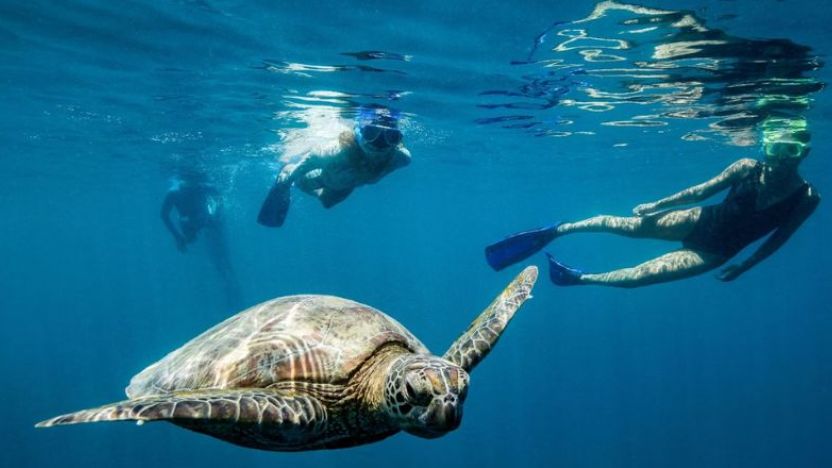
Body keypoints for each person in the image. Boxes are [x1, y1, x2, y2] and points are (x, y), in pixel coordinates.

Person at [485, 117, 820, 288]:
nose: (778, 158)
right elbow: (700, 191)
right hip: (699, 219)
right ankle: (558, 230)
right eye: (773, 148)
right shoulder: (747, 167)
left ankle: (577, 278)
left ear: (803, 152)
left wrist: (744, 266)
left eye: (788, 150)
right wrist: (658, 205)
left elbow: (780, 238)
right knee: (627, 227)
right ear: (765, 148)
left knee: (638, 278)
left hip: (714, 252)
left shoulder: (805, 198)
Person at [257, 105, 411, 227]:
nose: (379, 144)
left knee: (328, 202)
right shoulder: (336, 153)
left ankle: (319, 192)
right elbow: (309, 161)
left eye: (391, 137)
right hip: (320, 178)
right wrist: (284, 184)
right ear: (358, 133)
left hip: (346, 184)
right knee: (294, 179)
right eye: (371, 133)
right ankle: (285, 173)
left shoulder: (400, 158)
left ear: (398, 140)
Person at [161, 172, 242, 307]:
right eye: (192, 181)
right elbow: (164, 215)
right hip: (189, 224)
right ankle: (222, 285)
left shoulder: (202, 187)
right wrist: (177, 236)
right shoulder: (174, 193)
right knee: (203, 251)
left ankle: (230, 286)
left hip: (206, 220)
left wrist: (216, 215)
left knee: (222, 258)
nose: (195, 184)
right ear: (184, 179)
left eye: (196, 181)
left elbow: (219, 197)